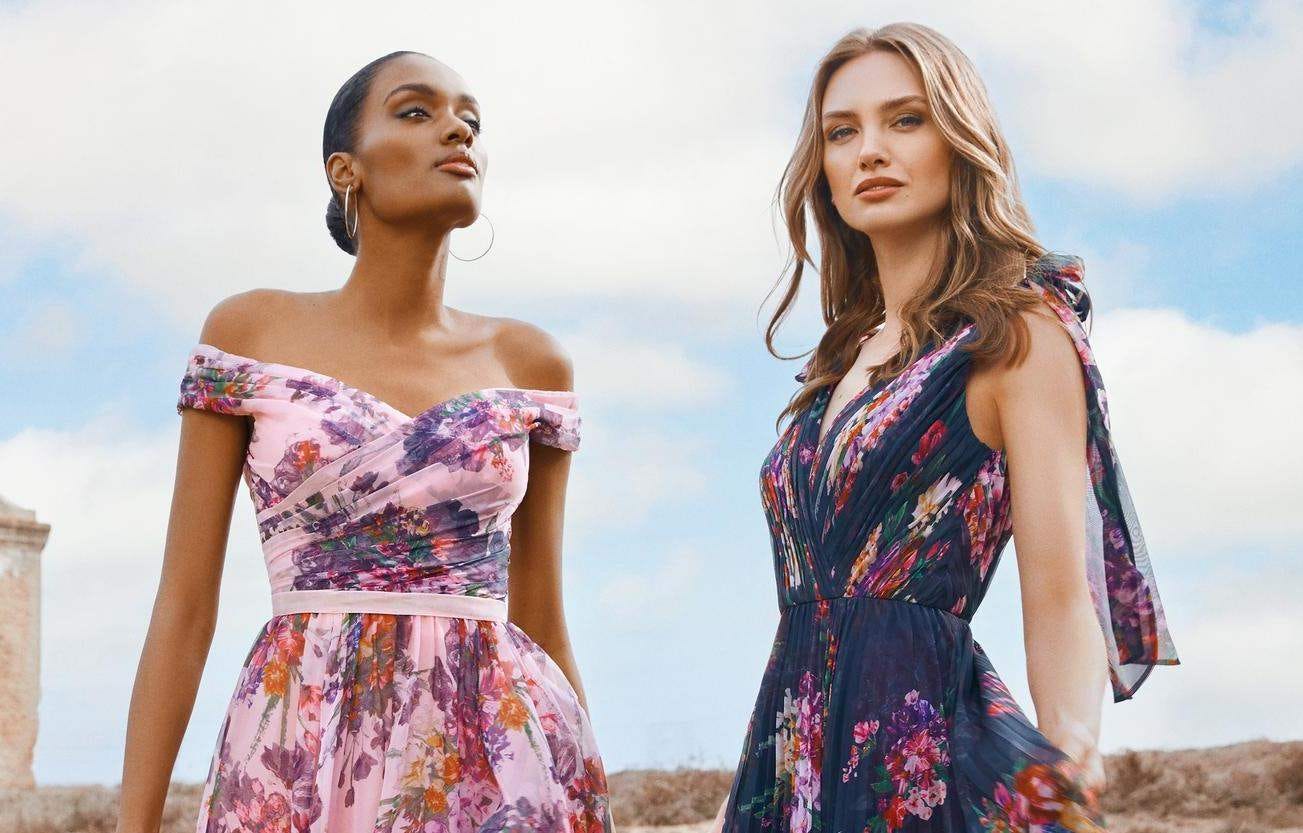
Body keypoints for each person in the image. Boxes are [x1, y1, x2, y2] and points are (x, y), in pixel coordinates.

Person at [115, 50, 613, 833]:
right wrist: (134, 823)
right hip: (299, 747)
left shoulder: (530, 363)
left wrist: (585, 796)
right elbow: (183, 606)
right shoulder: (250, 333)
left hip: (495, 759)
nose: (456, 128)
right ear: (344, 170)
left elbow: (543, 617)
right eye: (416, 111)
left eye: (470, 120)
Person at [710, 23, 1178, 833]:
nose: (869, 151)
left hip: (923, 760)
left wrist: (1068, 757)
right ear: (820, 168)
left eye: (905, 119)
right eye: (841, 131)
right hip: (790, 758)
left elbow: (1060, 586)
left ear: (960, 141)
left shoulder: (1015, 334)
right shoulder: (839, 360)